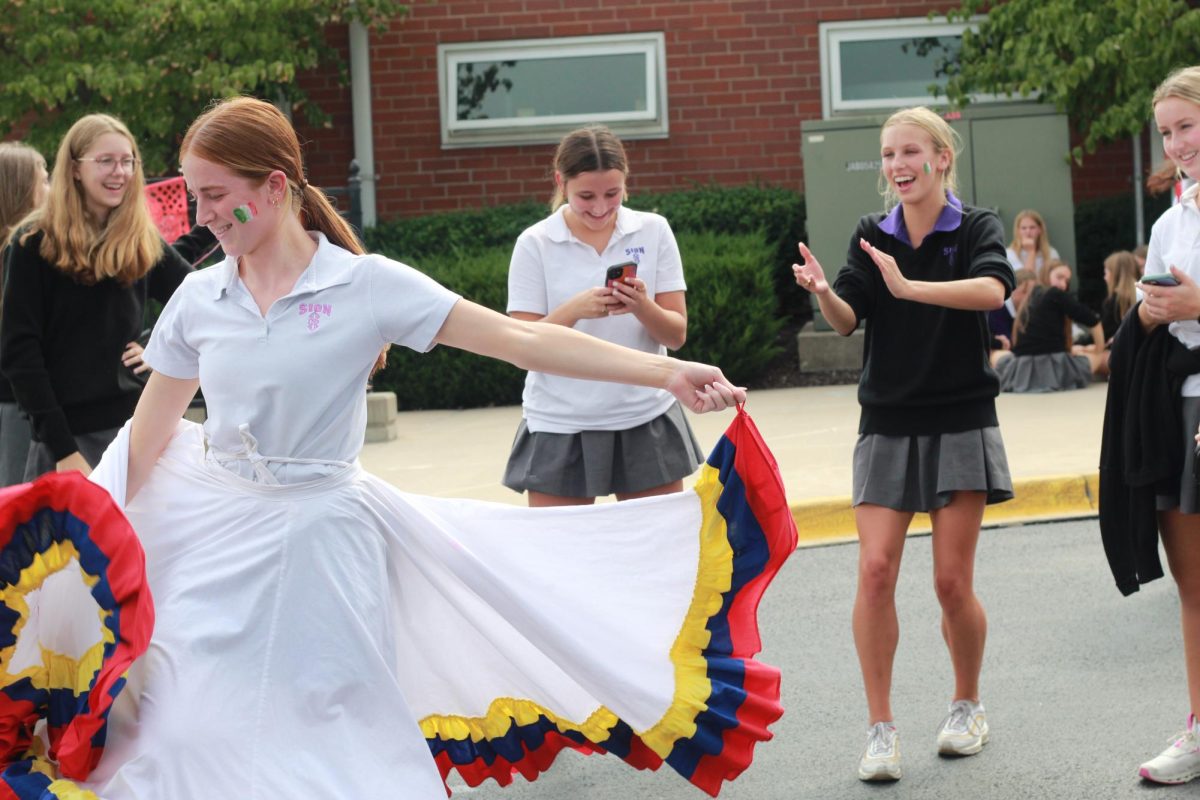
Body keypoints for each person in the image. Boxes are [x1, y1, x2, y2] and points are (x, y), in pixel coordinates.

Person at [13, 97, 792, 799]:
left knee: (333, 732)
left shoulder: (366, 284)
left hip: (326, 542)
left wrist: (669, 372)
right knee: (181, 734)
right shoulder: (199, 297)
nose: (200, 214)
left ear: (275, 188)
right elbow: (143, 446)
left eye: (216, 195)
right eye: (194, 193)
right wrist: (68, 568)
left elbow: (521, 340)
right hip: (214, 537)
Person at [792, 106, 1014, 782]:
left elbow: (994, 291)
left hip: (960, 417)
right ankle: (881, 729)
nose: (897, 165)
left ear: (942, 158)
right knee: (876, 571)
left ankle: (967, 704)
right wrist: (827, 293)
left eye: (910, 151)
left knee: (951, 583)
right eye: (889, 155)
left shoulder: (975, 225)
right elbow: (850, 318)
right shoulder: (871, 233)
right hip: (886, 421)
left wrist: (910, 286)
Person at [0, 114, 215, 482]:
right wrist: (63, 450)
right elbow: (20, 353)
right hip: (65, 442)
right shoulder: (32, 242)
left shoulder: (138, 239)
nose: (120, 171)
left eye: (128, 160)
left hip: (135, 434)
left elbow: (197, 299)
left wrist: (155, 347)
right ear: (75, 168)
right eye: (106, 161)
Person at [502, 125, 703, 507]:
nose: (599, 207)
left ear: (626, 182)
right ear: (561, 183)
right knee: (564, 560)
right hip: (560, 423)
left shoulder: (653, 230)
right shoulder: (535, 243)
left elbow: (676, 336)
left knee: (651, 557)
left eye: (612, 194)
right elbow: (519, 345)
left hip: (644, 414)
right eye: (586, 196)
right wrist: (574, 311)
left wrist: (642, 306)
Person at [1101, 65, 1200, 786]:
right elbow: (1150, 318)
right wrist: (1149, 309)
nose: (1177, 145)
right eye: (1167, 133)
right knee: (1193, 584)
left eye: (1186, 126)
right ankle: (1199, 726)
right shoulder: (1170, 221)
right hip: (1179, 405)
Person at [0, 142, 49, 486]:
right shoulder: (24, 256)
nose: (52, 190)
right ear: (22, 190)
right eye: (44, 180)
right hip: (20, 411)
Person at [994, 260, 1102, 392]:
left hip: (1020, 371)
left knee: (997, 355)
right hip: (1055, 370)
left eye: (1066, 281)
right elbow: (1093, 321)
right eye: (1059, 277)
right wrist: (1099, 349)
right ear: (1046, 274)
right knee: (1100, 357)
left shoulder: (1029, 298)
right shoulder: (1054, 293)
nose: (1063, 285)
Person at [1073, 250, 1140, 378]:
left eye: (1106, 272)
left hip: (1122, 358)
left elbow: (1102, 333)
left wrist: (1077, 345)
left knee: (1080, 355)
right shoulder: (1141, 296)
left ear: (1115, 274)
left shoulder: (1117, 299)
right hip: (1140, 356)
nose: (1104, 277)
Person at [988, 269, 1036, 368]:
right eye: (1025, 292)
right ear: (1014, 289)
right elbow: (1008, 343)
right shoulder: (997, 310)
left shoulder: (1027, 312)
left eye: (1032, 294)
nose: (1029, 298)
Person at [1005, 209, 1060, 278]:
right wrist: (1031, 251)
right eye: (1024, 228)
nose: (1028, 231)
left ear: (1040, 230)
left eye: (1032, 227)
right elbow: (1025, 281)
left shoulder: (1051, 253)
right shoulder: (1009, 253)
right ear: (1018, 231)